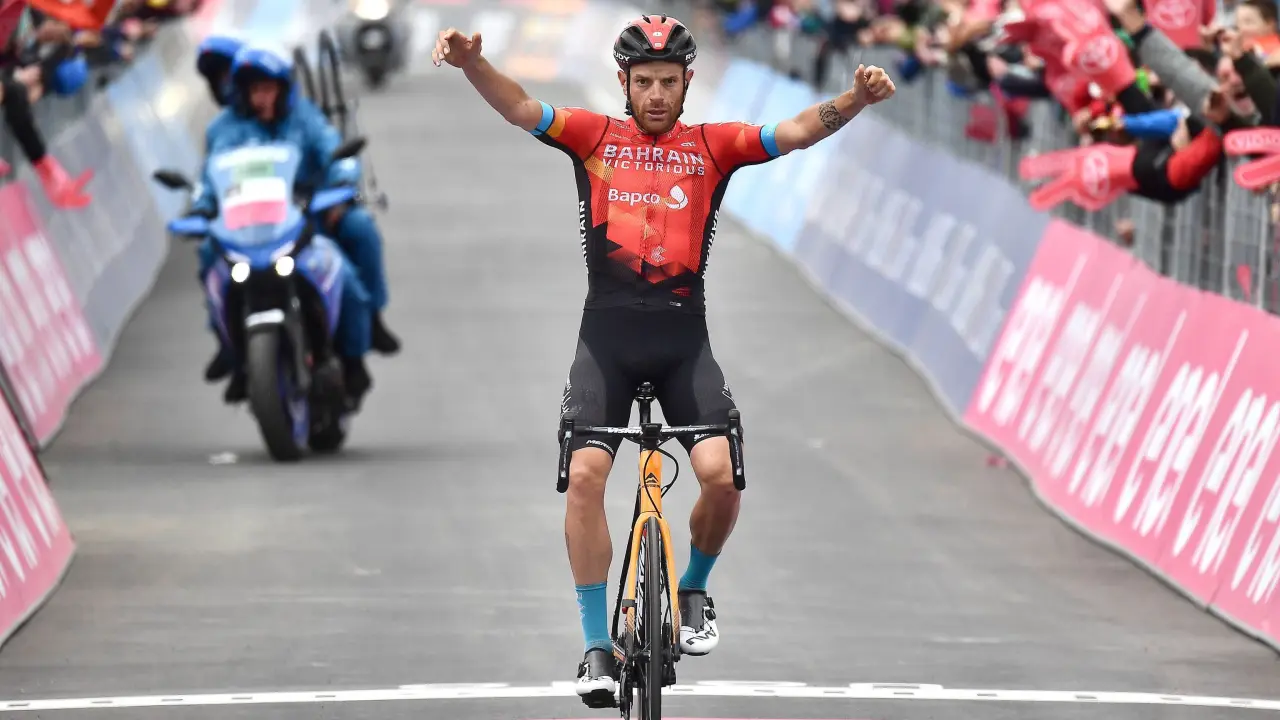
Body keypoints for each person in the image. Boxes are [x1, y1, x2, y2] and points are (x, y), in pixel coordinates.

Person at [431, 13, 895, 702]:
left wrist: (855, 99)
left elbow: (795, 132)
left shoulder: (713, 147)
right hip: (606, 343)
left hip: (683, 344)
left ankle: (694, 588)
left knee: (721, 477)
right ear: (623, 82)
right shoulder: (593, 136)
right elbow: (521, 107)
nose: (655, 94)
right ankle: (596, 645)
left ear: (687, 82)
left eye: (668, 82)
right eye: (643, 81)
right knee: (586, 477)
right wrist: (473, 63)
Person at [193, 42, 401, 402]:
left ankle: (362, 343)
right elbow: (209, 180)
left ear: (283, 89)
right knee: (210, 252)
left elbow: (335, 154)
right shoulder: (223, 129)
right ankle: (230, 349)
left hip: (308, 218)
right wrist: (201, 210)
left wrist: (340, 187)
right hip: (247, 226)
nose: (261, 97)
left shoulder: (304, 118)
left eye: (268, 88)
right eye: (254, 89)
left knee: (355, 249)